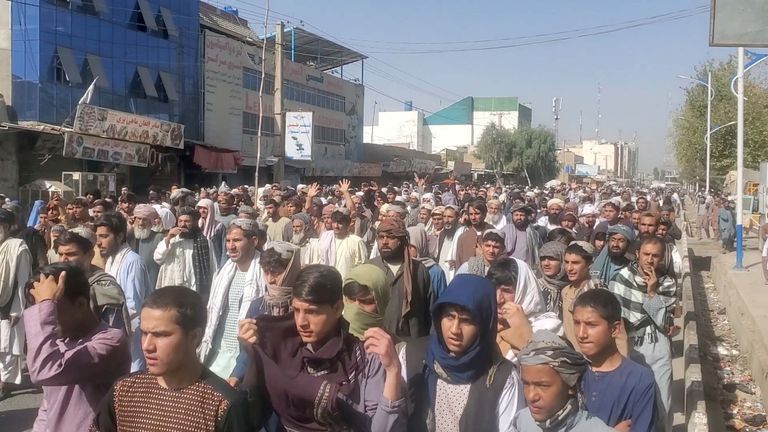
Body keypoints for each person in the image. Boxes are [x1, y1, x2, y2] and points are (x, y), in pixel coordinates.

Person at [238, 265, 406, 431]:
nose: (301, 322)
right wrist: (252, 356)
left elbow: (379, 429)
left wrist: (393, 370)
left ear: (338, 309)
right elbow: (252, 413)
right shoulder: (283, 350)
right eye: (296, 310)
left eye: (312, 312)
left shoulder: (365, 357)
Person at [92, 286, 263, 431]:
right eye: (144, 333)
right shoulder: (123, 392)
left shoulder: (223, 405)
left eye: (161, 335)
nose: (147, 346)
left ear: (194, 337)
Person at [398, 274, 524, 432]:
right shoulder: (412, 356)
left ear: (484, 325)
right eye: (449, 317)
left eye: (466, 320)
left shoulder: (503, 377)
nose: (455, 330)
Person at [25, 263, 130, 432]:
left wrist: (46, 303)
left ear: (81, 304)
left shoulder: (111, 341)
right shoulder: (58, 343)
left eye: (52, 309)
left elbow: (44, 369)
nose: (46, 317)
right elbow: (49, 406)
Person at [608, 236, 677, 432]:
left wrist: (652, 292)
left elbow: (665, 323)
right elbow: (613, 319)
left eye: (655, 256)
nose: (650, 260)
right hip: (629, 348)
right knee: (632, 404)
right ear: (637, 254)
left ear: (662, 259)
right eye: (646, 254)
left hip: (657, 347)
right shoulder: (621, 279)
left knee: (662, 401)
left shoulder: (667, 283)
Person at [573, 289, 657, 431]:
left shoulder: (640, 380)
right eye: (576, 323)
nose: (581, 334)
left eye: (591, 325)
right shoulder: (572, 373)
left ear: (615, 329)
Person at [199, 219, 265, 382]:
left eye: (237, 240)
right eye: (228, 241)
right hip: (216, 351)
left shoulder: (264, 274)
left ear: (253, 241)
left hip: (243, 355)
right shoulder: (224, 272)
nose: (230, 246)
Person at [513, 330, 614, 431]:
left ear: (571, 385)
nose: (531, 396)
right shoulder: (522, 421)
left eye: (543, 386)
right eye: (526, 383)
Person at [96, 212, 153, 372]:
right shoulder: (111, 260)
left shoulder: (132, 262)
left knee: (132, 372)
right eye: (98, 236)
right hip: (114, 330)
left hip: (129, 332)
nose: (99, 242)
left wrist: (119, 334)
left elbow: (133, 305)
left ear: (120, 236)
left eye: (104, 236)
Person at [55, 229, 131, 336]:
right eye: (60, 254)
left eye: (71, 254)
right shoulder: (60, 284)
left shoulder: (105, 288)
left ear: (90, 255)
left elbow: (114, 335)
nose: (63, 260)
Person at [487, 258, 563, 361]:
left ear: (524, 290)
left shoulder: (548, 327)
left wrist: (525, 335)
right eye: (493, 289)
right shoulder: (486, 324)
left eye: (507, 291)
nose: (498, 299)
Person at [370, 218, 433, 338]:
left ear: (402, 241)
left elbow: (430, 310)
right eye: (381, 237)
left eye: (391, 237)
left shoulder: (419, 270)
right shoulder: (370, 268)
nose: (384, 242)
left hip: (413, 341)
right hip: (378, 340)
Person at [0, 208, 33, 400]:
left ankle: (4, 383)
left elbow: (22, 282)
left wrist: (17, 310)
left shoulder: (17, 247)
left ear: (5, 226)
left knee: (7, 346)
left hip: (10, 305)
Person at [154, 207, 217, 300]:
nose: (183, 224)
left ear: (195, 223)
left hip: (195, 289)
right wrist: (168, 238)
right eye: (180, 221)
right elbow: (158, 258)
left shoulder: (205, 243)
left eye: (187, 221)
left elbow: (213, 268)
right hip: (172, 289)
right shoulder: (171, 240)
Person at [342, 263, 390, 339]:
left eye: (366, 302)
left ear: (381, 303)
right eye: (351, 299)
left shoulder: (398, 348)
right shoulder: (327, 344)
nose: (356, 308)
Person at [317, 208, 367, 279]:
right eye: (334, 222)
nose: (336, 226)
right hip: (328, 282)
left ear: (347, 224)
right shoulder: (325, 238)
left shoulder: (356, 241)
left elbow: (362, 266)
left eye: (340, 223)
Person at [408, 226, 448, 301]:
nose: (407, 251)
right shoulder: (403, 267)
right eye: (405, 247)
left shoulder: (435, 271)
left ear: (421, 245)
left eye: (411, 247)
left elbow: (442, 300)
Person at [129, 204, 164, 289]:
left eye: (145, 220)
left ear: (151, 222)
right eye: (139, 219)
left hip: (151, 286)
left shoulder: (158, 237)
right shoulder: (129, 237)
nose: (141, 223)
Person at [502, 204, 545, 269]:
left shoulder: (533, 233)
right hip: (509, 267)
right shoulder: (505, 230)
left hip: (527, 268)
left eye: (522, 215)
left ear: (526, 216)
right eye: (516, 215)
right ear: (512, 216)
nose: (519, 217)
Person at [536, 241, 570, 317]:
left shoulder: (573, 288)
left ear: (563, 261)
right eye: (542, 259)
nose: (546, 263)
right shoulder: (534, 287)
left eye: (552, 259)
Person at [455, 199, 492, 268]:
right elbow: (459, 263)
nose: (473, 217)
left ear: (484, 214)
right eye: (471, 214)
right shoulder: (463, 237)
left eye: (477, 214)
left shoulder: (493, 233)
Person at [435, 205, 464, 284]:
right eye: (444, 216)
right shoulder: (442, 234)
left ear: (458, 218)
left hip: (455, 275)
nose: (446, 220)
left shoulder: (463, 234)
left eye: (450, 217)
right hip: (442, 275)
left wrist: (458, 261)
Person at [197, 198, 226, 268]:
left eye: (205, 208)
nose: (202, 211)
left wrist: (222, 267)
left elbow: (224, 249)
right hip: (200, 262)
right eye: (200, 208)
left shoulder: (219, 227)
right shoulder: (196, 225)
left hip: (215, 262)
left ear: (211, 209)